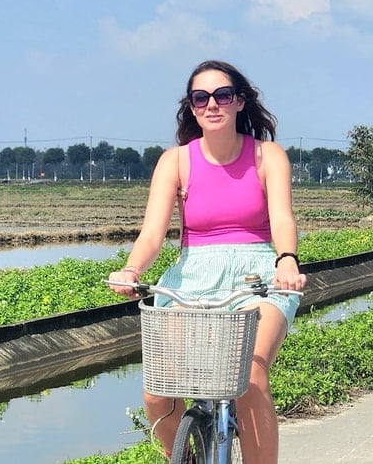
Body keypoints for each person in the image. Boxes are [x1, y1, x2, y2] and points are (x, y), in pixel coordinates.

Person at [107, 60, 305, 463]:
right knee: (158, 386)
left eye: (222, 95)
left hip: (257, 277)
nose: (212, 105)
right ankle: (183, 456)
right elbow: (152, 233)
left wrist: (287, 260)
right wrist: (131, 269)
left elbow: (282, 217)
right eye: (201, 98)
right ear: (192, 107)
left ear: (239, 102)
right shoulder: (176, 161)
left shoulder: (268, 156)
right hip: (190, 278)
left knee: (249, 375)